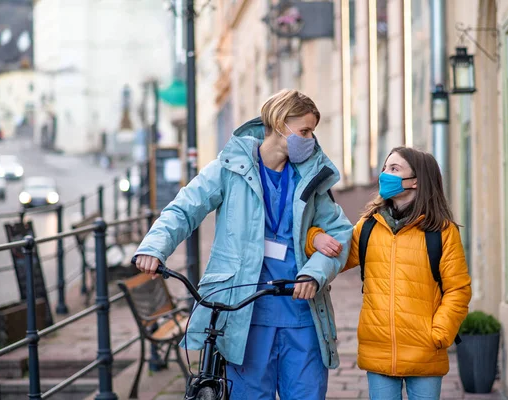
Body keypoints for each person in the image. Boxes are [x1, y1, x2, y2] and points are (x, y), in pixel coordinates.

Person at [134, 89, 353, 400]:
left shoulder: (312, 177)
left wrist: (314, 273)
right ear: (280, 125)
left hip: (301, 312)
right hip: (246, 315)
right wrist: (153, 248)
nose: (310, 139)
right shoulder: (229, 168)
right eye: (304, 131)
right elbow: (184, 208)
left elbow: (341, 234)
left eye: (311, 132)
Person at [305, 147, 472, 400]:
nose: (385, 175)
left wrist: (439, 333)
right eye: (385, 168)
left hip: (425, 350)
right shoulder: (370, 226)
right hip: (378, 349)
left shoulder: (441, 231)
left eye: (394, 169)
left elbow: (458, 289)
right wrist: (314, 238)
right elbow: (337, 254)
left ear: (416, 181)